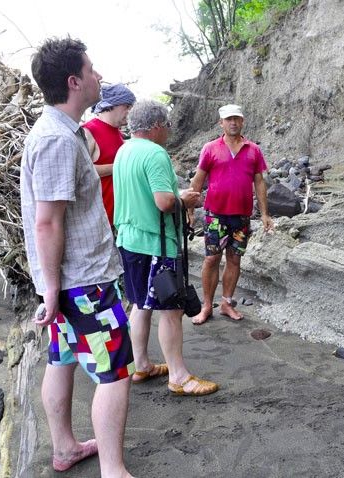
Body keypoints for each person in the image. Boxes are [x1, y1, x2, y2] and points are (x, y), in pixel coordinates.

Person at [20, 37, 135, 477]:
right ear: (73, 81)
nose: (98, 76)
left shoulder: (63, 134)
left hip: (68, 283)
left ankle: (66, 447)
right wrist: (52, 289)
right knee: (113, 373)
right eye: (91, 70)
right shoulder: (56, 140)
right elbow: (48, 222)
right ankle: (113, 470)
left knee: (63, 359)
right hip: (81, 284)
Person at [113, 99, 218, 396]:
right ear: (157, 126)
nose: (168, 133)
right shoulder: (155, 153)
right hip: (155, 242)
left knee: (140, 304)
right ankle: (179, 376)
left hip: (129, 239)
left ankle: (142, 365)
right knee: (171, 309)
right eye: (168, 126)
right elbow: (163, 202)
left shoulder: (124, 150)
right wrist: (184, 200)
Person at [188, 104, 274, 325]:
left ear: (242, 121)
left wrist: (265, 213)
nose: (233, 122)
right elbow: (198, 179)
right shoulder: (210, 148)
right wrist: (189, 208)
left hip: (242, 216)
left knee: (235, 259)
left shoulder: (253, 149)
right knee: (211, 258)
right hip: (215, 215)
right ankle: (207, 305)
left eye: (236, 118)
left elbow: (259, 182)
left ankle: (227, 303)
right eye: (228, 119)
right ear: (221, 123)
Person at [82, 83, 136, 226]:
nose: (130, 112)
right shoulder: (88, 131)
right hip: (99, 220)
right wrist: (120, 165)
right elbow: (81, 171)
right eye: (127, 106)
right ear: (111, 105)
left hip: (121, 218)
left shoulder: (117, 133)